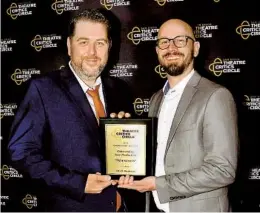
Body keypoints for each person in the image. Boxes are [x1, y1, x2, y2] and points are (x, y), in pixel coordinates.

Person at [8, 8, 133, 212]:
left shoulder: (119, 90)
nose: (92, 52)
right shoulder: (43, 89)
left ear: (109, 46)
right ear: (69, 45)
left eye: (100, 43)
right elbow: (21, 153)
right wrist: (78, 183)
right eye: (83, 42)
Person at [118, 19, 239, 212]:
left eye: (180, 40)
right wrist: (123, 136)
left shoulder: (215, 96)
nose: (171, 47)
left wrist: (159, 185)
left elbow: (222, 170)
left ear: (196, 48)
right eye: (164, 41)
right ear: (157, 51)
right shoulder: (156, 99)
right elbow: (156, 159)